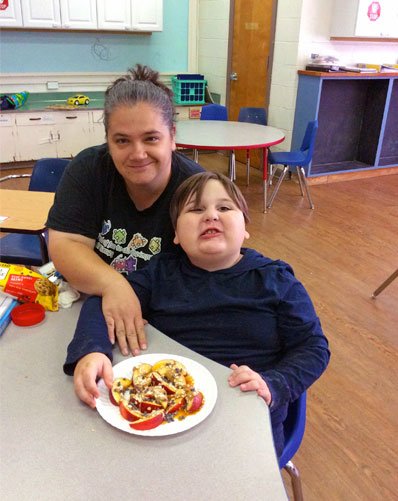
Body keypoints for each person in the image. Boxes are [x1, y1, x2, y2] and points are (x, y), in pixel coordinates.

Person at [64, 171, 330, 457]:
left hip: (245, 421)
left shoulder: (276, 279)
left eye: (224, 208)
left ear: (246, 228)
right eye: (195, 209)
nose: (211, 216)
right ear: (176, 235)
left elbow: (313, 348)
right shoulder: (160, 273)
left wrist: (274, 384)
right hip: (165, 421)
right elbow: (104, 301)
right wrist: (92, 351)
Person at [46, 64, 203, 357]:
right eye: (122, 141)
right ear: (108, 140)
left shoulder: (196, 189)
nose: (138, 153)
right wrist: (113, 285)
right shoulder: (88, 169)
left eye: (151, 138)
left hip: (160, 327)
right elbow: (66, 244)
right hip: (87, 309)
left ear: (172, 137)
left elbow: (208, 272)